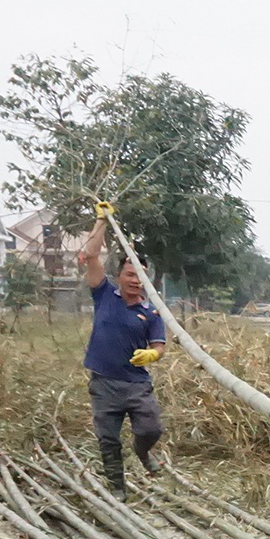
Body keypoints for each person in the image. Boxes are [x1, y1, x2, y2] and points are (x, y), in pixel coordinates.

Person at [77, 211, 167, 500]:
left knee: (151, 428)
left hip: (136, 384)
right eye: (130, 274)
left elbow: (159, 345)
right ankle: (117, 487)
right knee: (108, 439)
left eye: (140, 276)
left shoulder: (151, 311)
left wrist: (152, 355)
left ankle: (142, 452)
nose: (135, 281)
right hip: (104, 383)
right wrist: (101, 220)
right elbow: (91, 255)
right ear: (119, 276)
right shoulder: (104, 294)